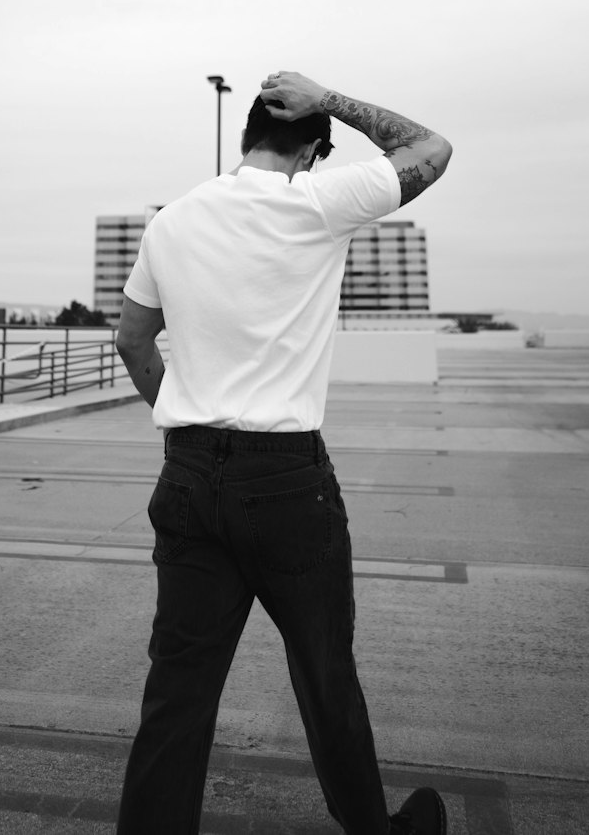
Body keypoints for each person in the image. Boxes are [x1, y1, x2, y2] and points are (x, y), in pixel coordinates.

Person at [114, 70, 453, 835]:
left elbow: (133, 340)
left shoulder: (173, 221)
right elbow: (431, 148)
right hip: (288, 486)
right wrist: (330, 99)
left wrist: (188, 425)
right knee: (326, 675)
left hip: (190, 476)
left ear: (244, 143)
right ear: (313, 153)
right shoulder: (316, 204)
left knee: (177, 696)